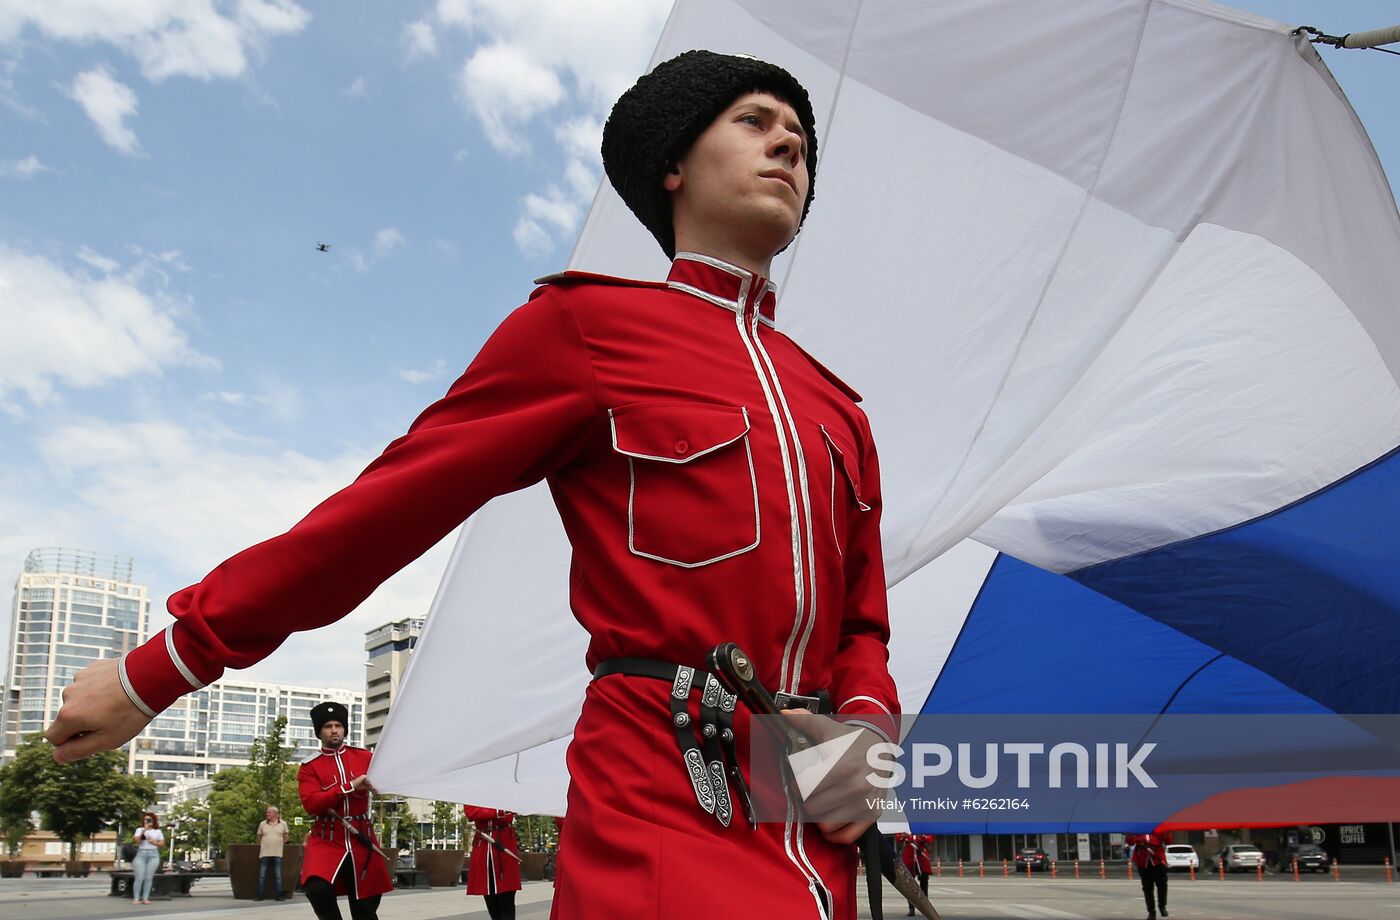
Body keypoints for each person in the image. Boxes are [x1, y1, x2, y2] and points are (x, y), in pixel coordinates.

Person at [44, 49, 900, 919]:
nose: (788, 145)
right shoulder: (586, 327)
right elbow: (382, 512)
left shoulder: (838, 409)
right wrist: (168, 663)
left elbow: (862, 625)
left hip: (807, 813)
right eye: (755, 122)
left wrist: (865, 747)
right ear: (673, 164)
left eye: (799, 139)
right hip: (658, 798)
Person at [297, 702, 392, 920]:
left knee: (366, 905)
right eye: (328, 726)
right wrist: (349, 786)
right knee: (316, 889)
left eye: (338, 725)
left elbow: (387, 780)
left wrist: (380, 787)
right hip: (326, 837)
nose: (334, 730)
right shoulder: (309, 767)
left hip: (361, 836)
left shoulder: (365, 758)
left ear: (345, 729)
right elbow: (312, 804)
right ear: (319, 732)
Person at [463, 806, 521, 920]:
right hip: (483, 844)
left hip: (504, 839)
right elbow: (471, 812)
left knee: (507, 897)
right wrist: (499, 811)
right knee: (489, 896)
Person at [1126, 831, 1172, 919]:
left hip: (1157, 858)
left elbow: (1168, 841)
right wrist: (1129, 834)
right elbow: (1131, 842)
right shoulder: (1137, 828)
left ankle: (1162, 905)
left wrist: (1167, 832)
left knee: (1162, 884)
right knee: (1147, 887)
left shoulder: (1158, 827)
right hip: (1142, 859)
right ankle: (1151, 911)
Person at [895, 832, 934, 916]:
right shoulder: (905, 828)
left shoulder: (923, 828)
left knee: (924, 883)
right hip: (909, 859)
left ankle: (925, 907)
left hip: (921, 858)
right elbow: (898, 838)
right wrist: (904, 836)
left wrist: (922, 837)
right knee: (909, 885)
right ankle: (911, 908)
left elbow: (930, 838)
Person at [256, 805, 288, 901]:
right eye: (267, 812)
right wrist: (263, 844)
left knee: (277, 876)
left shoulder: (283, 824)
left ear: (275, 813)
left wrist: (279, 843)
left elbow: (286, 836)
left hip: (277, 852)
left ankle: (278, 896)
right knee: (262, 875)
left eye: (269, 812)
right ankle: (260, 896)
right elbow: (259, 836)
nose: (267, 814)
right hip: (264, 852)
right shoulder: (262, 824)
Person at [130, 812, 163, 905]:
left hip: (153, 854)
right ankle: (136, 898)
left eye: (149, 820)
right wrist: (144, 830)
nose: (147, 821)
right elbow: (137, 841)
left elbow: (161, 844)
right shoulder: (139, 830)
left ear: (153, 821)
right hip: (141, 854)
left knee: (148, 877)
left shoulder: (157, 831)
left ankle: (145, 898)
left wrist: (154, 842)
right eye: (145, 820)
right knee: (139, 877)